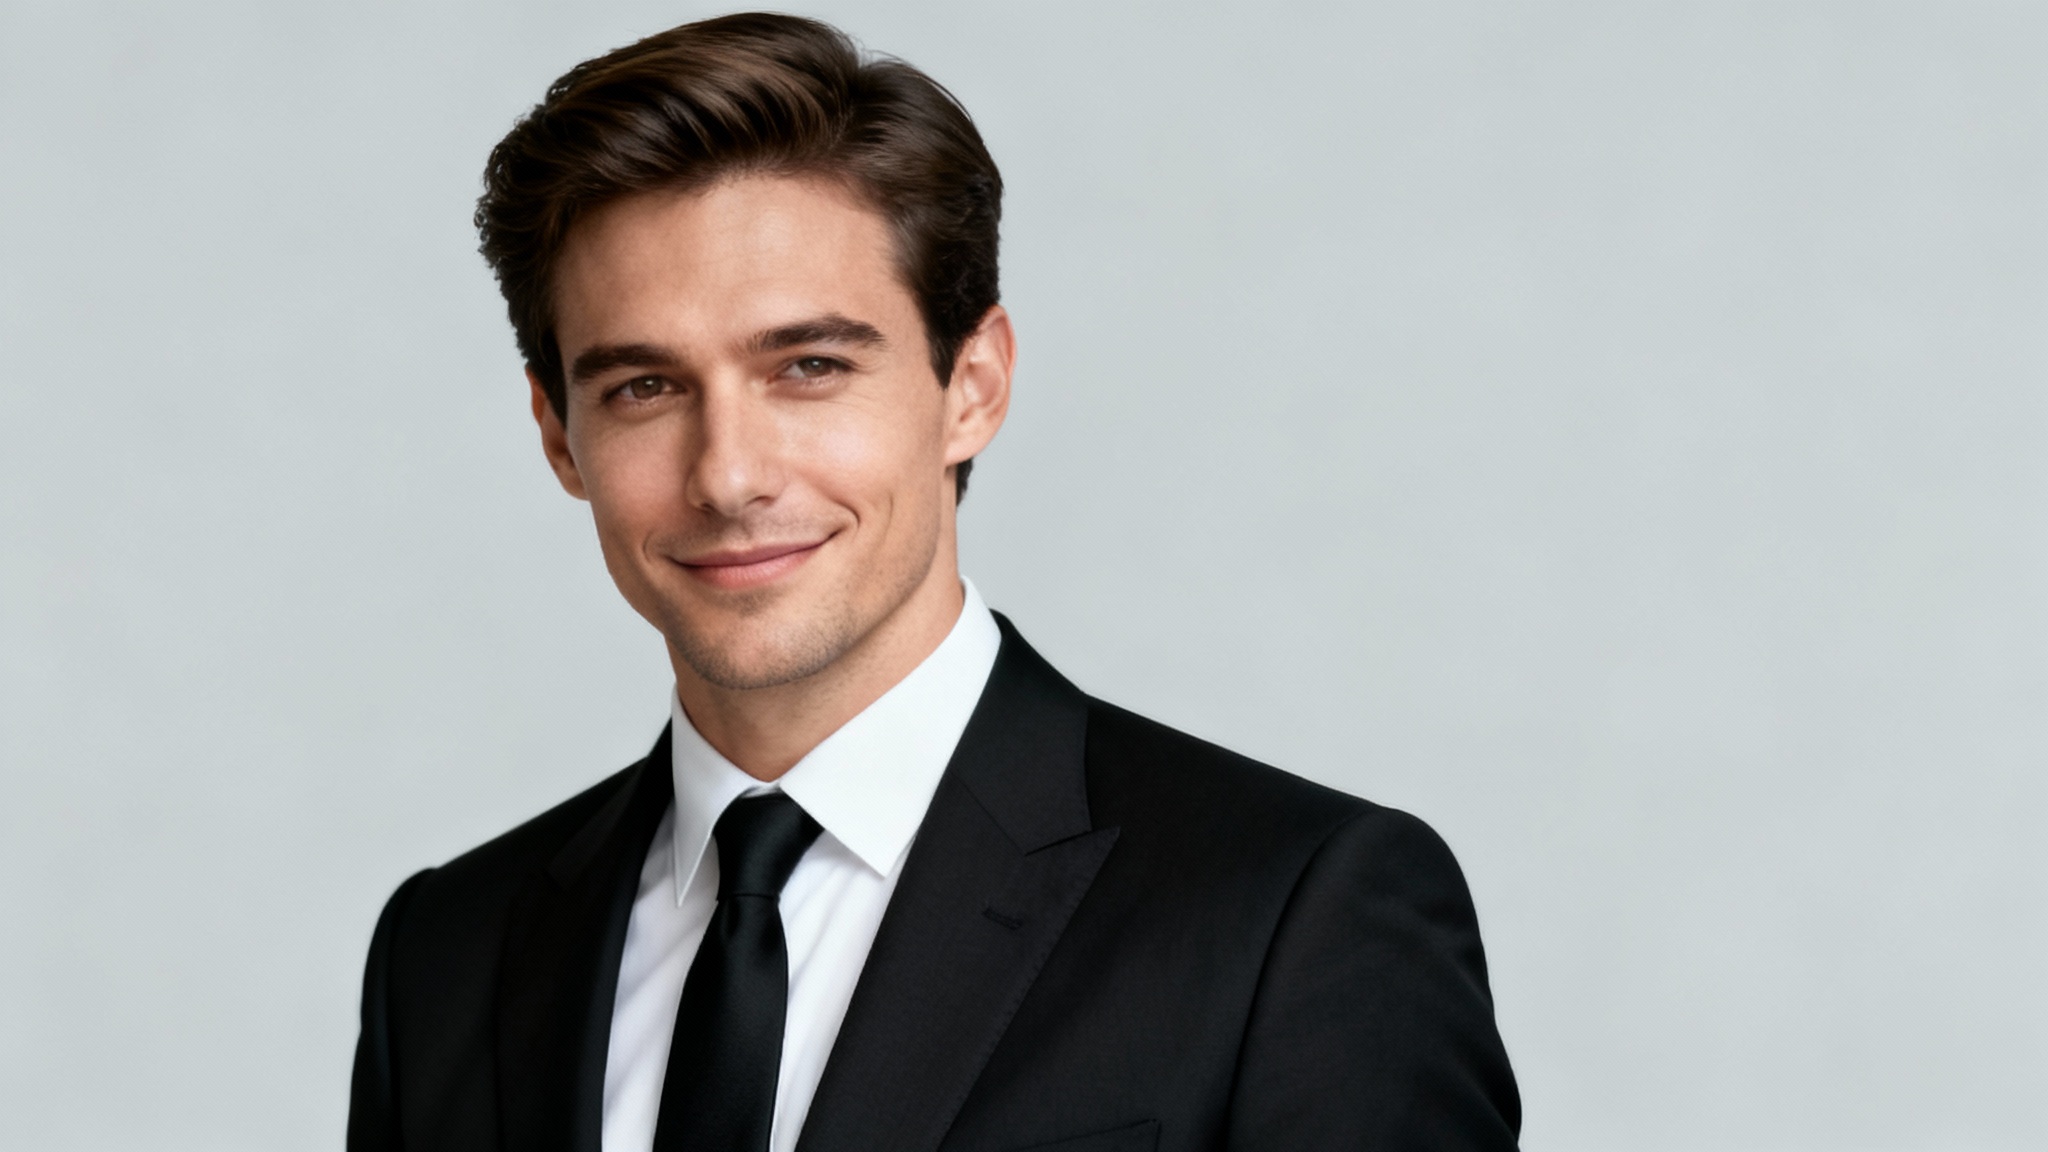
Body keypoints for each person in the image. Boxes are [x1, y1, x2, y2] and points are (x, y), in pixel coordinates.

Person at [346, 13, 1520, 1152]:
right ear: (559, 434)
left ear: (972, 387)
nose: (729, 476)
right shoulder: (446, 956)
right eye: (642, 388)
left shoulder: (1288, 918)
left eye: (808, 366)